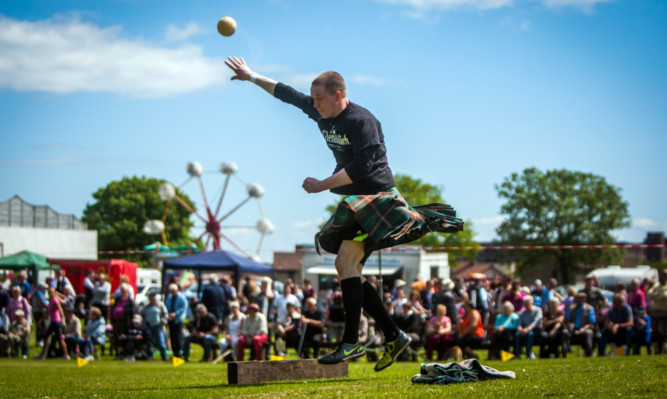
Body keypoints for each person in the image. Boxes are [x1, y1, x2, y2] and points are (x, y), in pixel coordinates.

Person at [225, 56, 463, 371]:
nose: (315, 104)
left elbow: (363, 166)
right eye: (314, 98)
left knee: (345, 263)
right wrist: (252, 75)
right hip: (357, 201)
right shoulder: (319, 109)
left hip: (377, 201)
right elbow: (287, 94)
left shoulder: (362, 121)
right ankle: (392, 335)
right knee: (344, 264)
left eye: (321, 98)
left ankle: (353, 341)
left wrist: (323, 184)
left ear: (339, 95)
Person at [37, 287, 70, 360]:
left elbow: (60, 311)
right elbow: (48, 313)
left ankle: (66, 354)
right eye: (49, 292)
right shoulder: (51, 301)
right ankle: (43, 354)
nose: (50, 293)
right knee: (47, 337)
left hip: (56, 322)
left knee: (59, 339)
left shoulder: (55, 301)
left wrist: (63, 321)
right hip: (53, 322)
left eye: (51, 292)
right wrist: (41, 320)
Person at [563, 292, 596, 357]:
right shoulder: (572, 308)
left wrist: (583, 329)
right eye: (577, 299)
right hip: (573, 329)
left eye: (581, 299)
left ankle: (588, 353)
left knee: (588, 333)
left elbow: (591, 322)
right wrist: (569, 325)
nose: (579, 300)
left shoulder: (589, 308)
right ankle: (564, 352)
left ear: (585, 300)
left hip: (585, 329)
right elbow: (567, 319)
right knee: (564, 332)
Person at [110, 283, 136, 360]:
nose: (122, 292)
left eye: (123, 290)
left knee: (124, 338)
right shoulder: (117, 300)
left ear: (127, 292)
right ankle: (118, 354)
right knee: (117, 339)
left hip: (125, 323)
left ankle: (125, 354)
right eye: (121, 290)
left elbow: (132, 313)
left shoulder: (130, 301)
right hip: (116, 322)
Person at [141, 292, 169, 361]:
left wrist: (162, 322)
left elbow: (166, 315)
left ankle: (164, 356)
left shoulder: (160, 305)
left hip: (158, 326)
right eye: (151, 299)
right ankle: (150, 356)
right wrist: (144, 324)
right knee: (149, 342)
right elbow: (142, 315)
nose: (152, 301)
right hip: (149, 327)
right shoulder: (146, 306)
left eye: (153, 299)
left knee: (161, 342)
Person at [514, 296, 543, 360]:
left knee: (530, 334)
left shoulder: (538, 310)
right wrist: (520, 330)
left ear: (532, 302)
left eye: (527, 303)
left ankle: (528, 354)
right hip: (524, 330)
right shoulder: (522, 312)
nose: (526, 305)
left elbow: (535, 323)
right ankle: (517, 355)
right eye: (525, 303)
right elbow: (519, 324)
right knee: (517, 335)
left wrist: (527, 330)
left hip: (535, 330)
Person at [647, 269, 667, 354]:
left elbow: (665, 295)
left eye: (663, 275)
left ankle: (664, 349)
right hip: (655, 313)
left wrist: (656, 295)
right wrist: (659, 294)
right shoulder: (656, 284)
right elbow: (649, 293)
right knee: (655, 332)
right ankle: (657, 349)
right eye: (660, 275)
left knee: (664, 332)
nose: (661, 276)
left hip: (665, 313)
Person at [165, 284, 187, 359]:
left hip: (178, 319)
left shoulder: (181, 297)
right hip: (171, 319)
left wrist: (176, 313)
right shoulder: (170, 297)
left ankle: (179, 352)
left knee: (178, 336)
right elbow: (167, 306)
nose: (171, 293)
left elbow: (184, 308)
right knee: (172, 336)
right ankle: (175, 352)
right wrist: (169, 313)